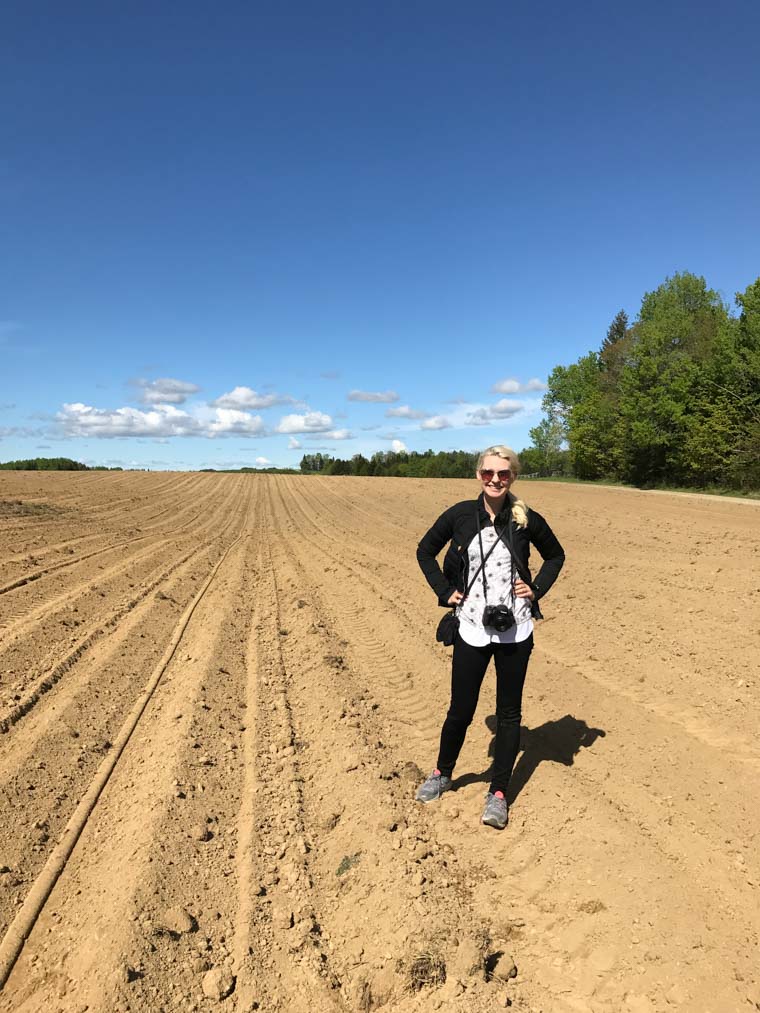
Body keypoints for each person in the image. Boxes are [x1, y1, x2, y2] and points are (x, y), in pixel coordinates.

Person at [415, 445, 565, 829]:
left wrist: (536, 589)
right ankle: (442, 773)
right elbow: (425, 550)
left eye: (503, 474)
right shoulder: (461, 515)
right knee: (460, 709)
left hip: (516, 628)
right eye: (488, 473)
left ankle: (498, 794)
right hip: (471, 626)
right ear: (478, 475)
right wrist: (445, 591)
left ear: (513, 477)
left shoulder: (525, 517)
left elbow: (555, 555)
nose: (495, 480)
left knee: (510, 713)